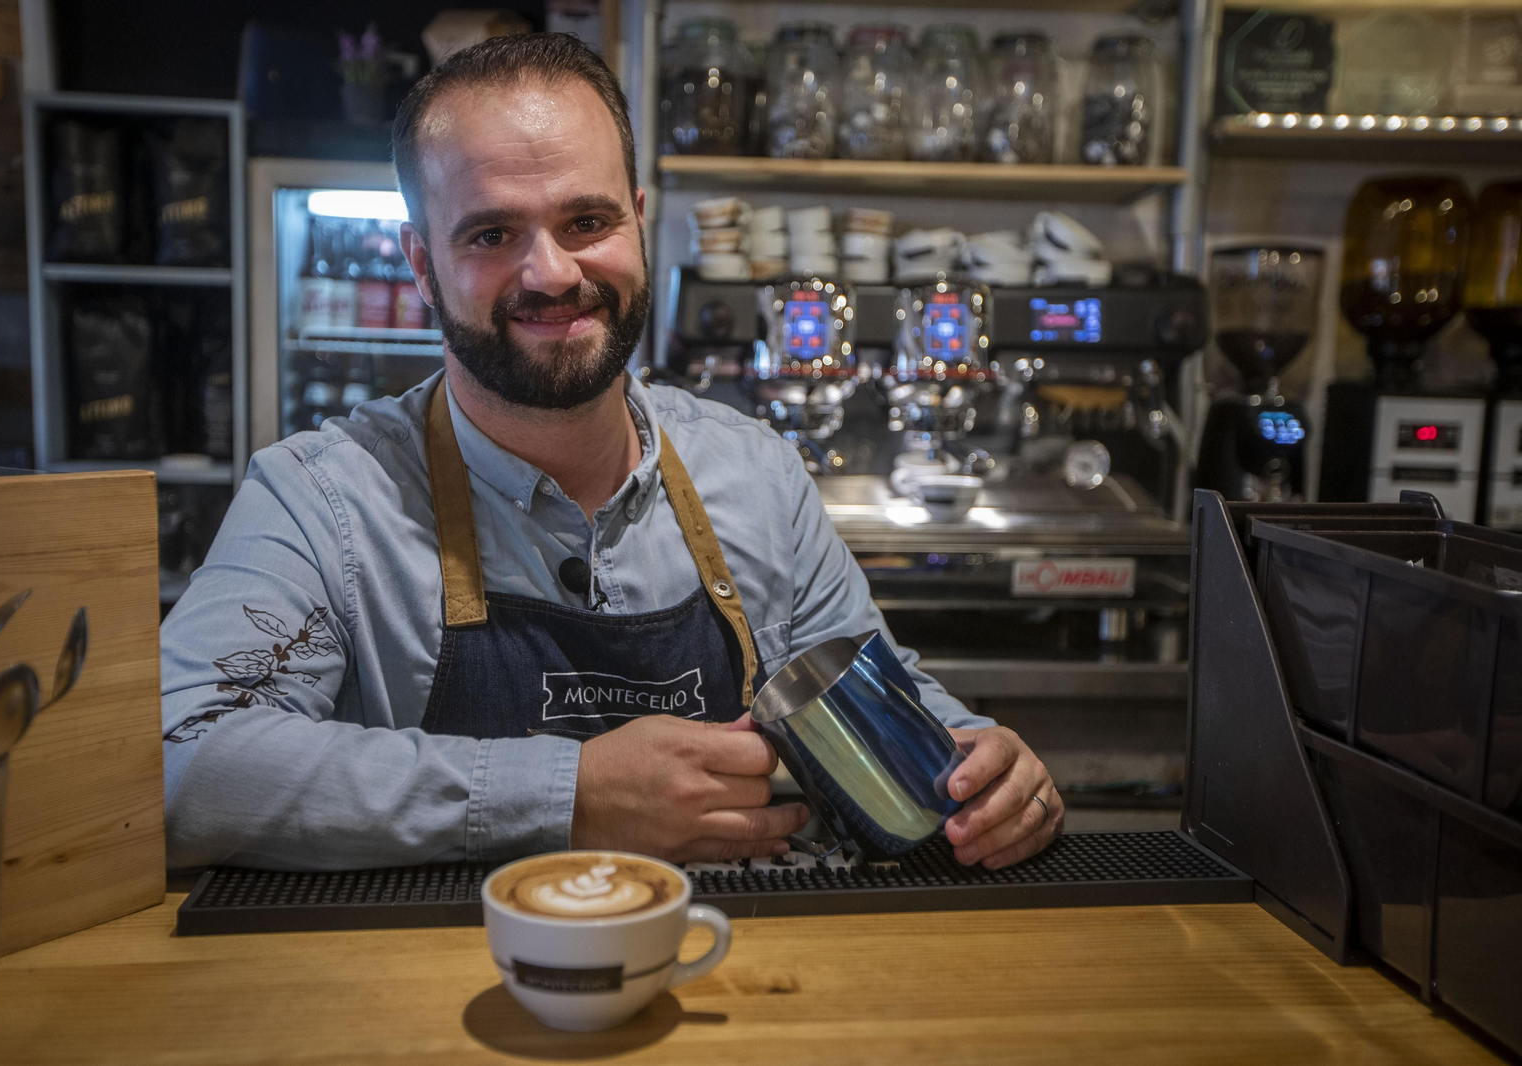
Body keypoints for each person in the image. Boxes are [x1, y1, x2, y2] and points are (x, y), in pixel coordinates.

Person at [160, 33, 1063, 872]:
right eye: (491, 234)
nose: (551, 272)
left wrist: (986, 770)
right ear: (422, 267)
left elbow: (888, 703)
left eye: (586, 220)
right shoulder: (321, 499)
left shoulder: (755, 475)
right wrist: (565, 796)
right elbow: (173, 761)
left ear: (636, 221)